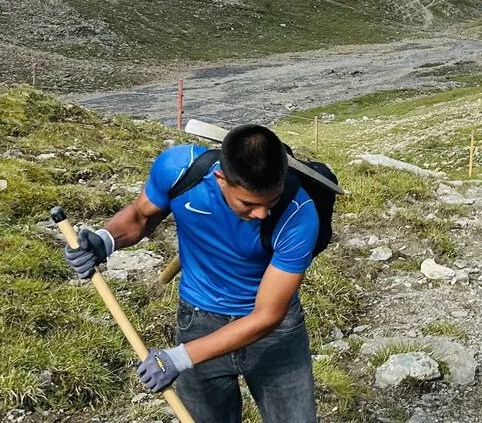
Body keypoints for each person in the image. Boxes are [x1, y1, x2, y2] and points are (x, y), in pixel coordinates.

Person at [63, 125, 320, 423]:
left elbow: (267, 316)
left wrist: (179, 358)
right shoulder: (180, 170)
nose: (262, 214)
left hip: (275, 335)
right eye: (249, 204)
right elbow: (140, 215)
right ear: (221, 179)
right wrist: (104, 241)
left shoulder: (299, 214)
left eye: (270, 202)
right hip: (198, 321)